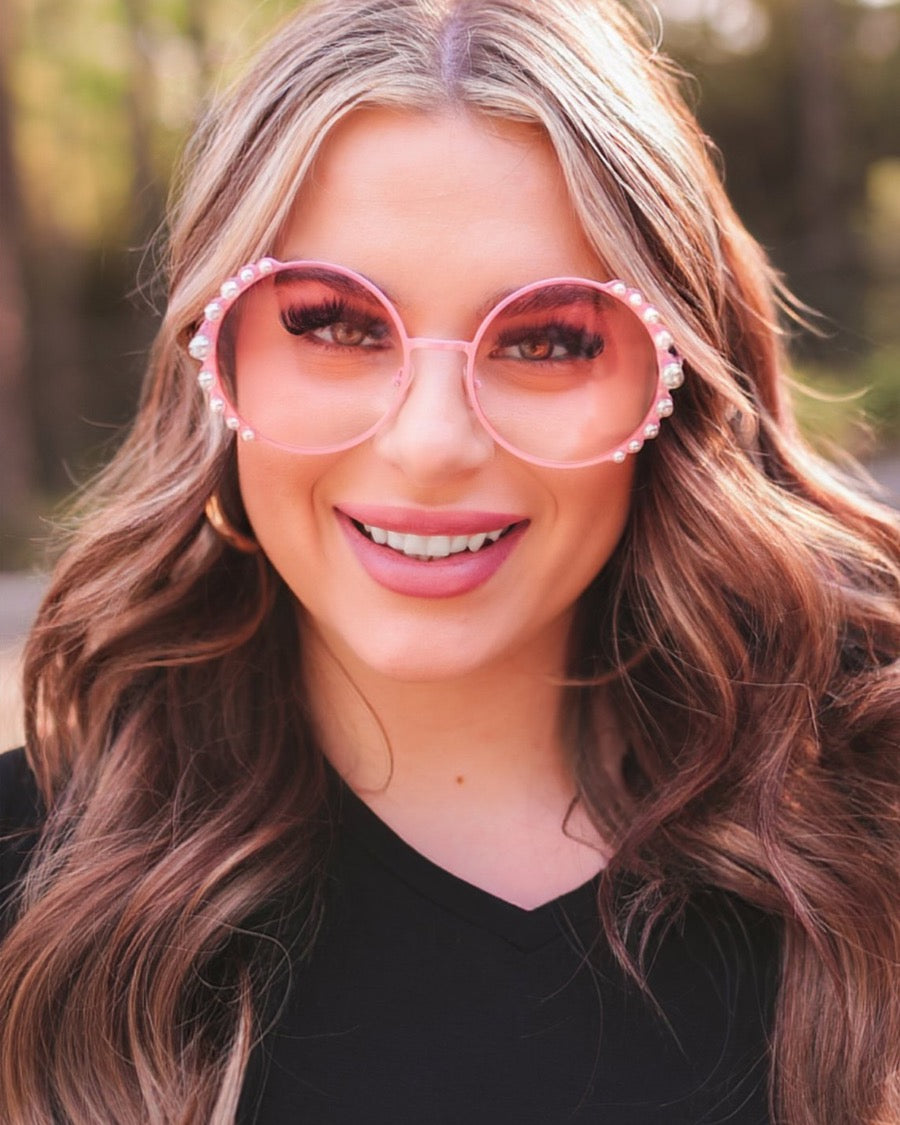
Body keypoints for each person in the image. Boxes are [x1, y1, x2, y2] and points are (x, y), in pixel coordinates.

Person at [1, 0, 898, 1121]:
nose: (431, 446)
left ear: (672, 387)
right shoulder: (27, 888)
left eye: (547, 341)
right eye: (334, 323)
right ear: (213, 358)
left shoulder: (868, 843)